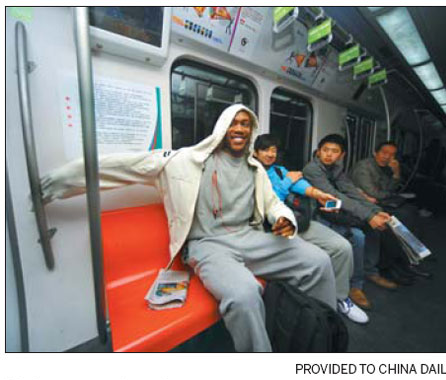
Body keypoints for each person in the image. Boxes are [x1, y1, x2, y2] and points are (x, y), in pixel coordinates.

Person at [40, 104, 337, 352]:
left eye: (245, 124)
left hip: (249, 237)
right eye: (233, 123)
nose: (239, 128)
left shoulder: (256, 168)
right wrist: (55, 183)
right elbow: (122, 167)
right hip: (208, 245)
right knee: (244, 295)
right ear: (222, 127)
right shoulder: (184, 161)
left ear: (252, 130)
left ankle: (321, 338)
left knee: (318, 261)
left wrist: (284, 219)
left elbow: (273, 204)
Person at [253, 134, 369, 324]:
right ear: (255, 152)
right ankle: (315, 307)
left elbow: (301, 185)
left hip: (298, 221)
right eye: (265, 150)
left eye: (274, 150)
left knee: (343, 247)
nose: (270, 154)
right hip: (274, 228)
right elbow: (267, 203)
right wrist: (287, 182)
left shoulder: (280, 170)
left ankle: (341, 298)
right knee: (318, 258)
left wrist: (318, 194)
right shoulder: (252, 173)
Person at [303, 134, 398, 310]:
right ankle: (355, 285)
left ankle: (370, 271)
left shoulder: (336, 169)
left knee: (374, 229)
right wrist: (369, 216)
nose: (329, 154)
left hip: (334, 211)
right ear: (318, 152)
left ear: (341, 155)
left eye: (334, 151)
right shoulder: (312, 169)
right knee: (358, 236)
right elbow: (335, 195)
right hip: (317, 215)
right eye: (325, 150)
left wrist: (376, 211)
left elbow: (351, 192)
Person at [351, 141, 432, 279]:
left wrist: (396, 173)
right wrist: (388, 193)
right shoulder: (364, 167)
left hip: (380, 201)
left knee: (412, 211)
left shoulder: (387, 167)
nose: (387, 157)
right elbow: (374, 193)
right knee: (401, 217)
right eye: (384, 153)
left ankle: (415, 254)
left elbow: (390, 188)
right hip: (364, 204)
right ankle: (402, 261)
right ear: (375, 152)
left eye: (392, 154)